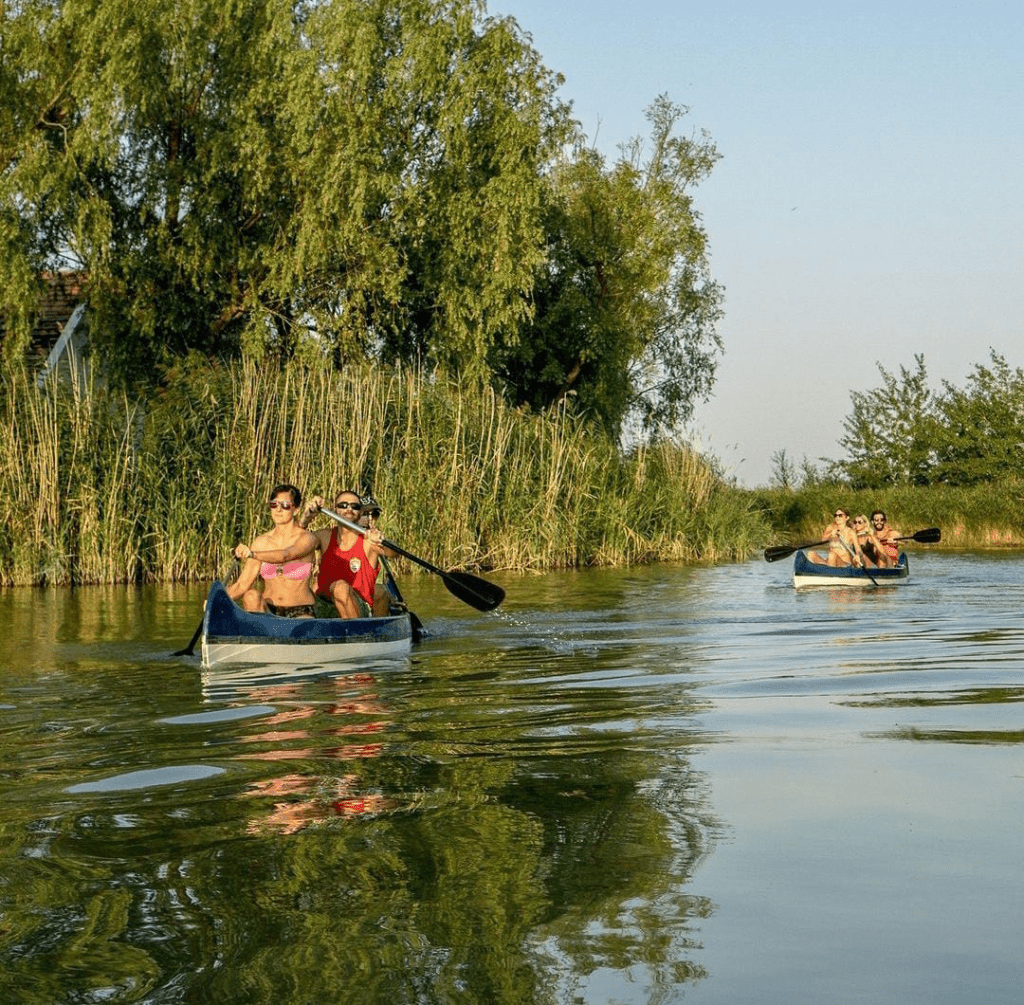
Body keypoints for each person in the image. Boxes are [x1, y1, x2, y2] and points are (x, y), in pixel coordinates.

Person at [228, 484, 319, 617]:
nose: (278, 510)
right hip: (270, 610)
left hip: (300, 610)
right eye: (274, 504)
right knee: (251, 595)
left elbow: (286, 555)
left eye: (285, 505)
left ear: (296, 509)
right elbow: (242, 585)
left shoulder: (307, 538)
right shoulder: (261, 542)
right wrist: (216, 600)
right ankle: (258, 633)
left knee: (302, 621)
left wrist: (252, 554)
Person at [298, 490, 386, 618]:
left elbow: (391, 552)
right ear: (334, 510)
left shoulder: (368, 541)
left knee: (340, 588)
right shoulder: (324, 536)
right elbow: (295, 545)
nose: (348, 509)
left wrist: (382, 541)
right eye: (343, 505)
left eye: (354, 506)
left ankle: (356, 633)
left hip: (357, 605)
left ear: (361, 512)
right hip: (324, 604)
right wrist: (305, 518)